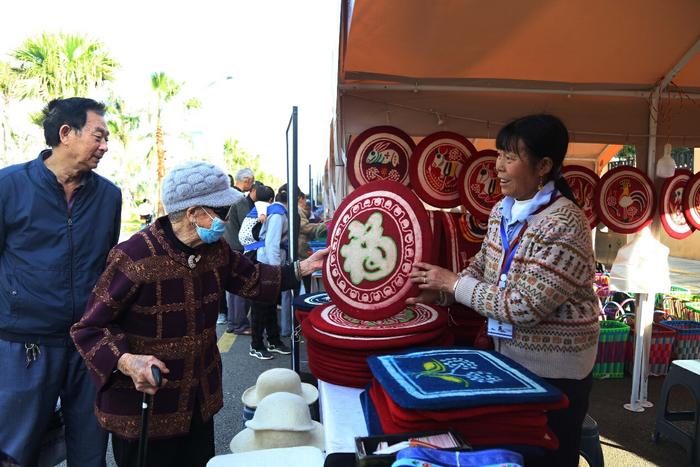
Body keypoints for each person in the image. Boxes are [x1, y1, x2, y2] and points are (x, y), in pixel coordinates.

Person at [70, 161, 327, 467]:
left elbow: (253, 278)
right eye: (220, 211)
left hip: (197, 401)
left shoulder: (215, 250)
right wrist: (127, 361)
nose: (226, 218)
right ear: (193, 213)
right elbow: (89, 329)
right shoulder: (134, 257)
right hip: (147, 410)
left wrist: (304, 267)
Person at [407, 114, 600, 467]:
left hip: (557, 371)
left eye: (510, 158)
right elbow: (483, 266)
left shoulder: (566, 223)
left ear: (544, 165)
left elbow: (523, 307)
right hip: (508, 357)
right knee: (514, 450)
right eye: (498, 155)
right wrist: (442, 293)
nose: (497, 167)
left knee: (550, 455)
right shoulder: (502, 209)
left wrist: (452, 282)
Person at [0, 97, 121, 466]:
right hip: (23, 343)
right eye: (98, 136)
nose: (105, 146)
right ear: (65, 134)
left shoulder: (109, 196)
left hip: (86, 344)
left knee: (89, 452)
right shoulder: (9, 185)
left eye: (107, 138)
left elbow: (106, 265)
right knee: (15, 451)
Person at [249, 186, 296, 358]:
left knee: (269, 305)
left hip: (270, 262)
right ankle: (256, 345)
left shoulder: (278, 211)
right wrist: (277, 270)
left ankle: (273, 341)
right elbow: (272, 243)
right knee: (260, 305)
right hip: (267, 263)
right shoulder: (278, 214)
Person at [221, 176, 260, 333]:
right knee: (239, 287)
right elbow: (248, 226)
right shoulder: (240, 200)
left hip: (228, 246)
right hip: (238, 248)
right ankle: (238, 324)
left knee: (233, 289)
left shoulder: (226, 199)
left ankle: (233, 323)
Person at [297, 192, 326, 293]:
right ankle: (308, 294)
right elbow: (304, 227)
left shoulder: (300, 210)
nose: (305, 203)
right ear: (301, 198)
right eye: (304, 199)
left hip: (301, 246)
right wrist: (323, 226)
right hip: (302, 247)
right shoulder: (298, 210)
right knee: (306, 273)